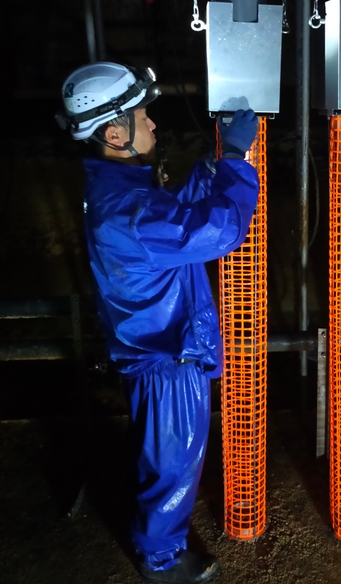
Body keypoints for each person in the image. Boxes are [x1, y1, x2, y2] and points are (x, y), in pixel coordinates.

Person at [56, 61, 260, 584]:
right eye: (142, 116)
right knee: (173, 465)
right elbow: (219, 231)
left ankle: (159, 546)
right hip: (165, 358)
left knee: (165, 457)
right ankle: (160, 560)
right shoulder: (127, 209)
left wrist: (210, 167)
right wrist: (235, 161)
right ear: (114, 133)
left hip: (158, 345)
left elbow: (173, 220)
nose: (152, 124)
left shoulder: (122, 188)